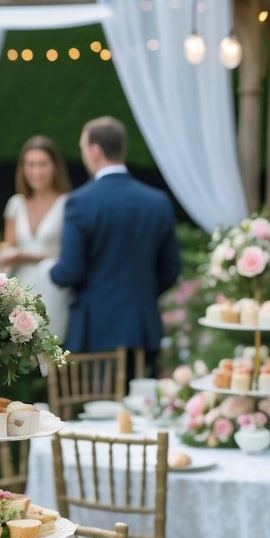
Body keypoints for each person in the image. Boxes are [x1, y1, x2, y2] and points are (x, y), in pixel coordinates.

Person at [50, 116, 180, 376]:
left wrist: (48, 270)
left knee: (98, 409)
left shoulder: (80, 202)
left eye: (83, 147)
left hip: (95, 330)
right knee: (142, 410)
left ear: (95, 150)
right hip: (143, 327)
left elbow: (70, 271)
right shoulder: (157, 201)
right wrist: (141, 293)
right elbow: (171, 269)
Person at [0, 135, 71, 342]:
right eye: (31, 165)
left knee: (53, 350)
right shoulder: (16, 203)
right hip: (21, 289)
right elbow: (9, 247)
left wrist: (26, 255)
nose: (36, 171)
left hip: (55, 288)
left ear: (55, 166)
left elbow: (71, 253)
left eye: (42, 164)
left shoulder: (69, 203)